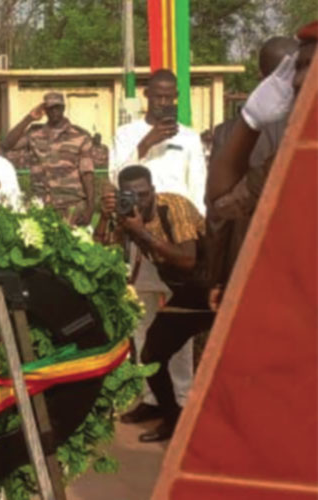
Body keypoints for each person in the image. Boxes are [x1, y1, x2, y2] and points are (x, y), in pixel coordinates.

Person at [94, 165, 212, 442]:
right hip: (183, 289)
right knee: (151, 352)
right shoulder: (124, 214)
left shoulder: (174, 206)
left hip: (210, 287)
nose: (139, 201)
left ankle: (180, 412)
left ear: (153, 191)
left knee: (158, 352)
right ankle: (167, 413)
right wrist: (106, 217)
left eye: (144, 194)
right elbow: (101, 250)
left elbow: (188, 260)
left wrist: (142, 232)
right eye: (130, 196)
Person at [205, 34, 302, 309]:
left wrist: (216, 276)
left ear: (261, 77)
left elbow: (218, 217)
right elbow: (223, 205)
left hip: (251, 268)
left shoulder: (231, 133)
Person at [110, 69, 208, 215]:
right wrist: (146, 143)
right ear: (147, 94)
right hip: (139, 215)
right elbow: (116, 179)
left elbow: (198, 185)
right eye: (158, 96)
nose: (163, 102)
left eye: (168, 97)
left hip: (179, 215)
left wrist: (199, 218)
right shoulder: (125, 134)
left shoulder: (189, 137)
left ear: (176, 96)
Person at [1, 92, 96, 224]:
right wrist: (29, 118)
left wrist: (90, 207)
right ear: (45, 110)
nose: (54, 111)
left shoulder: (80, 136)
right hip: (42, 207)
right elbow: (7, 144)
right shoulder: (34, 134)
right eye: (50, 108)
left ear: (63, 108)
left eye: (58, 107)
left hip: (72, 206)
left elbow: (87, 174)